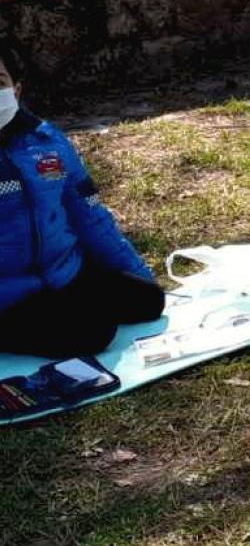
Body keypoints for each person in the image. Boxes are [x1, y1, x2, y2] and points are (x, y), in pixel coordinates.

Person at [0, 40, 163, 358]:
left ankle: (64, 302)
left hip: (64, 271)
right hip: (9, 293)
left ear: (16, 90)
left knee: (149, 300)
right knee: (95, 331)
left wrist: (135, 271)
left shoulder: (46, 141)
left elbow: (89, 215)